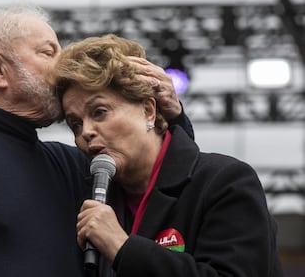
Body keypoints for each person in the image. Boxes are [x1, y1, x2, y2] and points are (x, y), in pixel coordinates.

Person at [0, 6, 193, 276]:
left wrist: (173, 116)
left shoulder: (74, 164)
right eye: (48, 52)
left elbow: (171, 188)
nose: (62, 67)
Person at [52, 34, 283, 277]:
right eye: (75, 124)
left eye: (99, 112)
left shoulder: (225, 182)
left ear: (148, 110)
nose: (85, 132)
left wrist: (123, 248)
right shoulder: (88, 196)